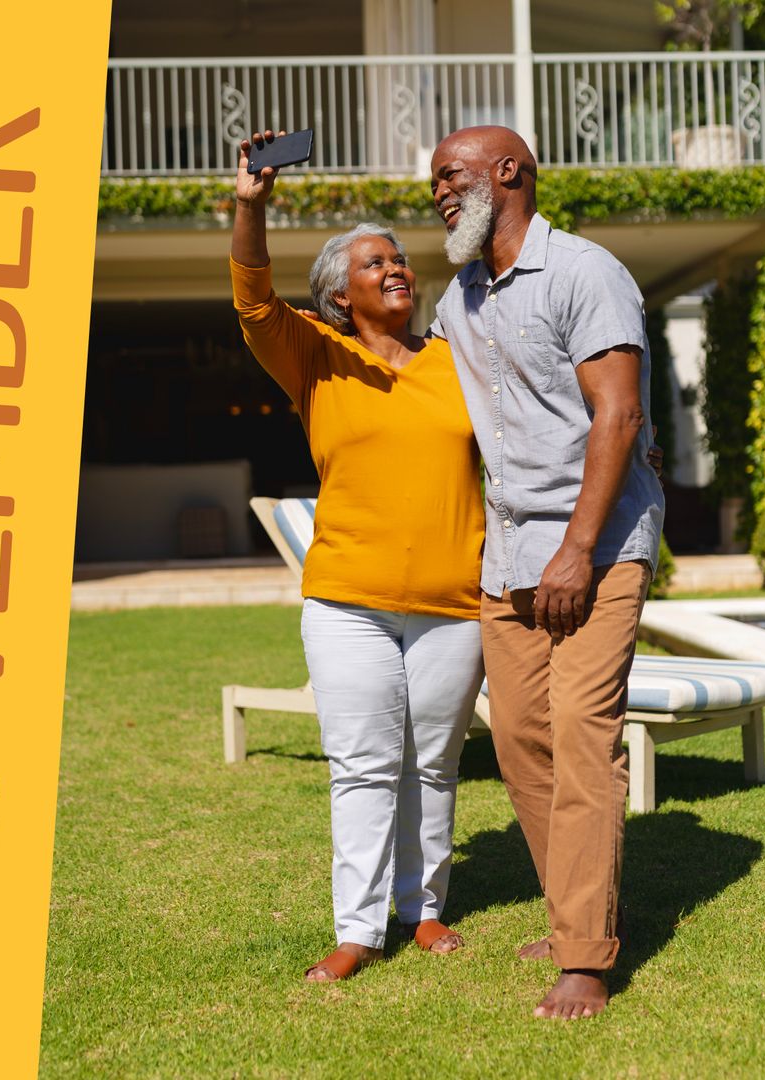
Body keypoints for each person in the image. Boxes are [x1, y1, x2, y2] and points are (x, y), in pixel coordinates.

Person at [231, 129, 487, 980]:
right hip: (349, 602)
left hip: (454, 602)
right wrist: (250, 207)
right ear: (340, 295)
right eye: (376, 263)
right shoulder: (315, 354)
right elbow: (253, 302)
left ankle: (424, 908)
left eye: (400, 259)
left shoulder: (455, 360)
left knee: (433, 765)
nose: (397, 268)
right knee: (365, 766)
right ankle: (358, 929)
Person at [428, 125, 665, 1019]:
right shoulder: (460, 297)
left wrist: (576, 548)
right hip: (508, 555)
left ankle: (584, 955)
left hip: (595, 547)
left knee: (581, 735)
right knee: (523, 743)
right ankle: (580, 907)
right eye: (433, 182)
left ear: (509, 173)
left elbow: (619, 414)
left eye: (451, 175)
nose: (439, 193)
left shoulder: (584, 273)